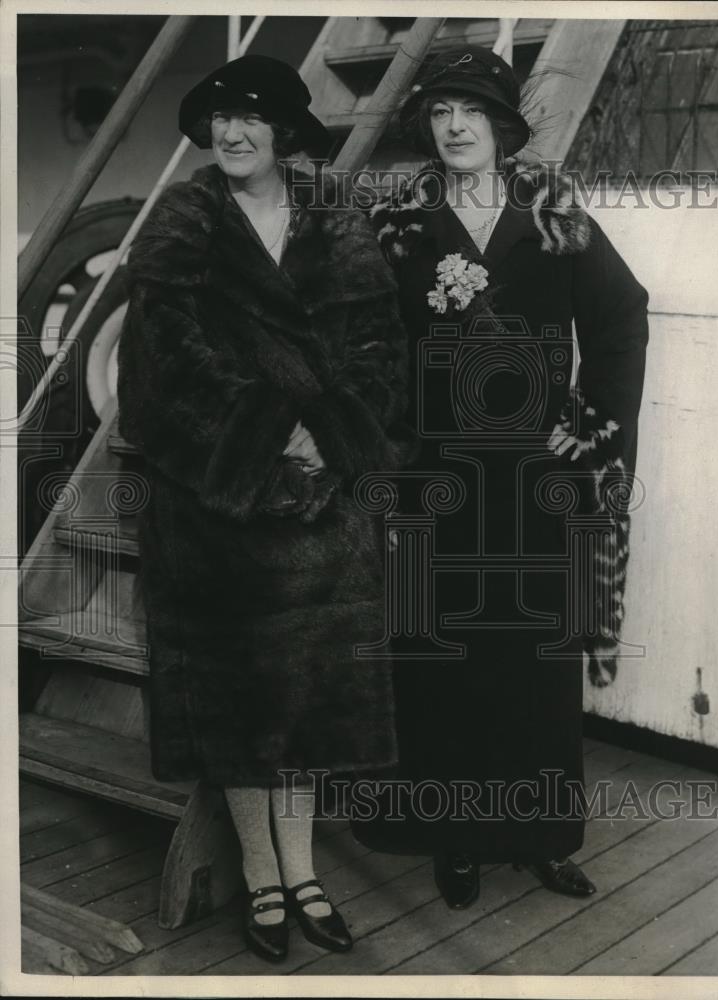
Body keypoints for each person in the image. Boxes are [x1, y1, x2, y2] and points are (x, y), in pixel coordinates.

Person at [117, 54, 408, 963]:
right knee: (243, 706)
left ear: (285, 131)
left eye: (252, 117)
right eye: (219, 119)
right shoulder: (182, 223)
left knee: (309, 703)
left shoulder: (335, 222)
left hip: (326, 508)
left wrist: (332, 438)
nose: (233, 133)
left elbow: (379, 351)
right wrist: (266, 439)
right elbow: (159, 371)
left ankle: (305, 869)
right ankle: (263, 877)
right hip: (222, 506)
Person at [351, 46, 649, 910]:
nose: (453, 128)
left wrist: (589, 422)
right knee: (441, 660)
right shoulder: (399, 220)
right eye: (440, 113)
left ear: (502, 124)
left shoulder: (551, 210)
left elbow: (621, 316)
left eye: (470, 112)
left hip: (534, 481)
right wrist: (389, 436)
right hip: (434, 478)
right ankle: (455, 837)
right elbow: (365, 338)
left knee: (531, 658)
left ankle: (540, 835)